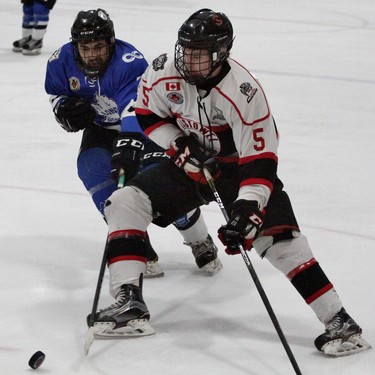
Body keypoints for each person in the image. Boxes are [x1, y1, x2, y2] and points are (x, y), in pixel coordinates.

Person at [97, 8, 371, 355]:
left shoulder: (243, 91)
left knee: (280, 242)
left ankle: (340, 322)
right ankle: (128, 303)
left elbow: (260, 159)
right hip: (190, 166)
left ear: (222, 52)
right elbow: (148, 113)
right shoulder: (162, 71)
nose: (189, 60)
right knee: (124, 202)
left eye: (200, 53)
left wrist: (248, 207)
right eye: (186, 50)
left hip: (239, 171)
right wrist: (178, 144)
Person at [44, 8, 222, 279]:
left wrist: (127, 148)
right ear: (74, 45)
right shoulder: (60, 60)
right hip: (101, 128)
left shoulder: (129, 62)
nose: (92, 54)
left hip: (146, 127)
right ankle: (135, 244)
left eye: (98, 47)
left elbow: (135, 112)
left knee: (161, 190)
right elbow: (56, 93)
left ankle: (199, 240)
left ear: (111, 42)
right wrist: (62, 108)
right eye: (85, 47)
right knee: (92, 169)